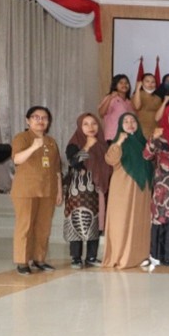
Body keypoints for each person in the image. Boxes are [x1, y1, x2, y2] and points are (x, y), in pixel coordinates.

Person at [11, 106, 63, 274]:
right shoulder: (22, 137)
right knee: (25, 226)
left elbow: (57, 169)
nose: (40, 120)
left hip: (48, 190)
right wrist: (33, 147)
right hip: (26, 190)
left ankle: (39, 259)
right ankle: (22, 261)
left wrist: (59, 191)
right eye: (36, 117)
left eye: (44, 118)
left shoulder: (51, 141)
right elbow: (17, 159)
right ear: (28, 120)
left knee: (43, 227)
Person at [102, 112, 152, 269]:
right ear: (120, 126)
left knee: (140, 221)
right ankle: (119, 256)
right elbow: (111, 159)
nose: (130, 124)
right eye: (126, 122)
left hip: (142, 189)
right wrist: (119, 141)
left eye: (133, 121)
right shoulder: (118, 142)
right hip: (123, 188)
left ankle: (140, 255)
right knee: (121, 222)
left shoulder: (144, 142)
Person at [63, 113, 110, 269]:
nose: (91, 127)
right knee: (77, 220)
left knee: (95, 221)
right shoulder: (74, 143)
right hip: (79, 190)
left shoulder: (104, 144)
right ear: (79, 127)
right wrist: (87, 146)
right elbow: (73, 161)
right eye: (86, 124)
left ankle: (91, 256)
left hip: (97, 189)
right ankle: (75, 257)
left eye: (94, 123)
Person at [142, 105, 169, 267]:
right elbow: (146, 155)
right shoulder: (160, 136)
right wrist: (153, 138)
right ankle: (160, 255)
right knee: (163, 218)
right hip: (164, 185)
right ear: (166, 117)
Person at [98, 74, 135, 142]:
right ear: (115, 85)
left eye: (126, 83)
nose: (124, 85)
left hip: (127, 137)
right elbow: (101, 113)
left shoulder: (129, 102)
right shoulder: (111, 98)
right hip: (113, 136)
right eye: (121, 83)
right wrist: (110, 98)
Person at [132, 72, 161, 138]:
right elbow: (137, 107)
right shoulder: (138, 95)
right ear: (142, 83)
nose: (150, 84)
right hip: (141, 129)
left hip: (155, 129)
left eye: (153, 82)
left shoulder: (158, 98)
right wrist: (137, 89)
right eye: (147, 81)